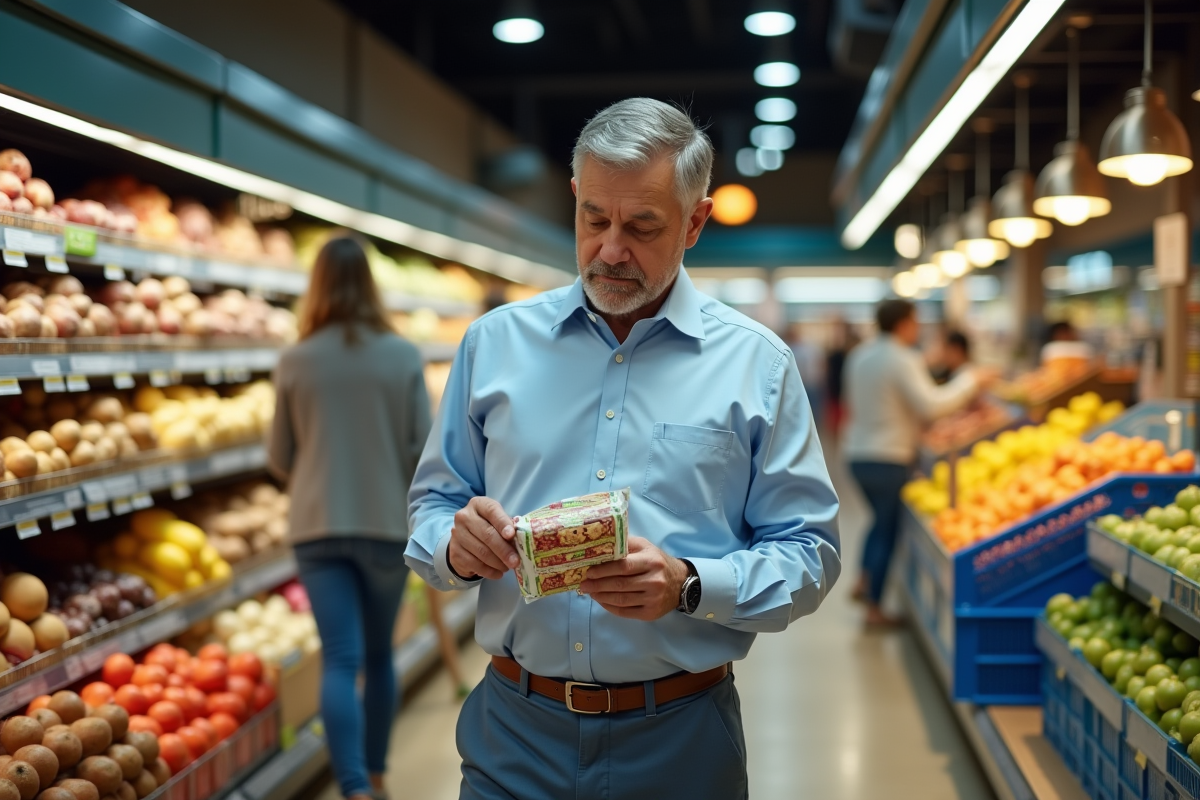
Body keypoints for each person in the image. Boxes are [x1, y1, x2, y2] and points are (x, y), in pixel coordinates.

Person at [406, 98, 840, 800]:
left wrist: (690, 584)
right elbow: (433, 505)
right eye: (594, 219)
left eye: (642, 226)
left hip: (681, 741)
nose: (611, 249)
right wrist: (456, 548)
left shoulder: (756, 365)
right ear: (575, 198)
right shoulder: (494, 344)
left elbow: (810, 553)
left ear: (695, 222)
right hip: (513, 734)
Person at [268, 235, 431, 800]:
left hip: (315, 527)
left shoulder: (294, 358)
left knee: (339, 656)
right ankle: (380, 774)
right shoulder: (402, 354)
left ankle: (354, 787)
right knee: (380, 656)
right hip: (385, 524)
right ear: (370, 284)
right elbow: (420, 451)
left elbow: (279, 457)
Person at [843, 300, 981, 627]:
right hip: (889, 457)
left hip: (857, 455)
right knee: (888, 529)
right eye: (915, 321)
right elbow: (930, 405)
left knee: (878, 520)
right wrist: (970, 382)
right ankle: (874, 608)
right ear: (904, 323)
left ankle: (864, 579)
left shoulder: (859, 355)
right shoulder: (902, 358)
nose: (917, 328)